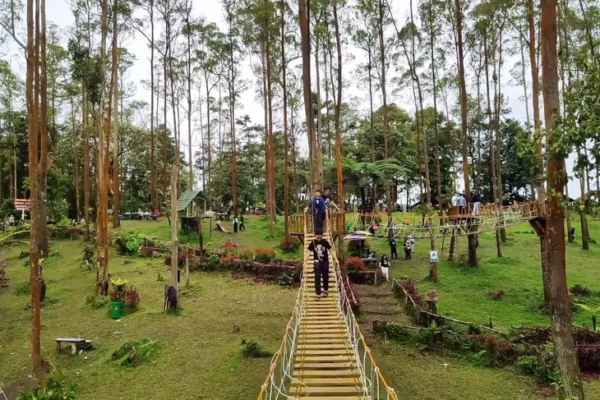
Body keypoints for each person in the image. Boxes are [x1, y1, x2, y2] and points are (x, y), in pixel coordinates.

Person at [308, 234, 332, 301]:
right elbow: (308, 251)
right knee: (317, 277)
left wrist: (335, 259)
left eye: (320, 237)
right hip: (317, 262)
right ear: (315, 236)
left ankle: (325, 290)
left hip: (325, 262)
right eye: (317, 237)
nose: (319, 239)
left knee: (325, 276)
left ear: (322, 236)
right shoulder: (313, 242)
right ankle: (318, 294)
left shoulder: (325, 242)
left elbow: (331, 250)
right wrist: (305, 260)